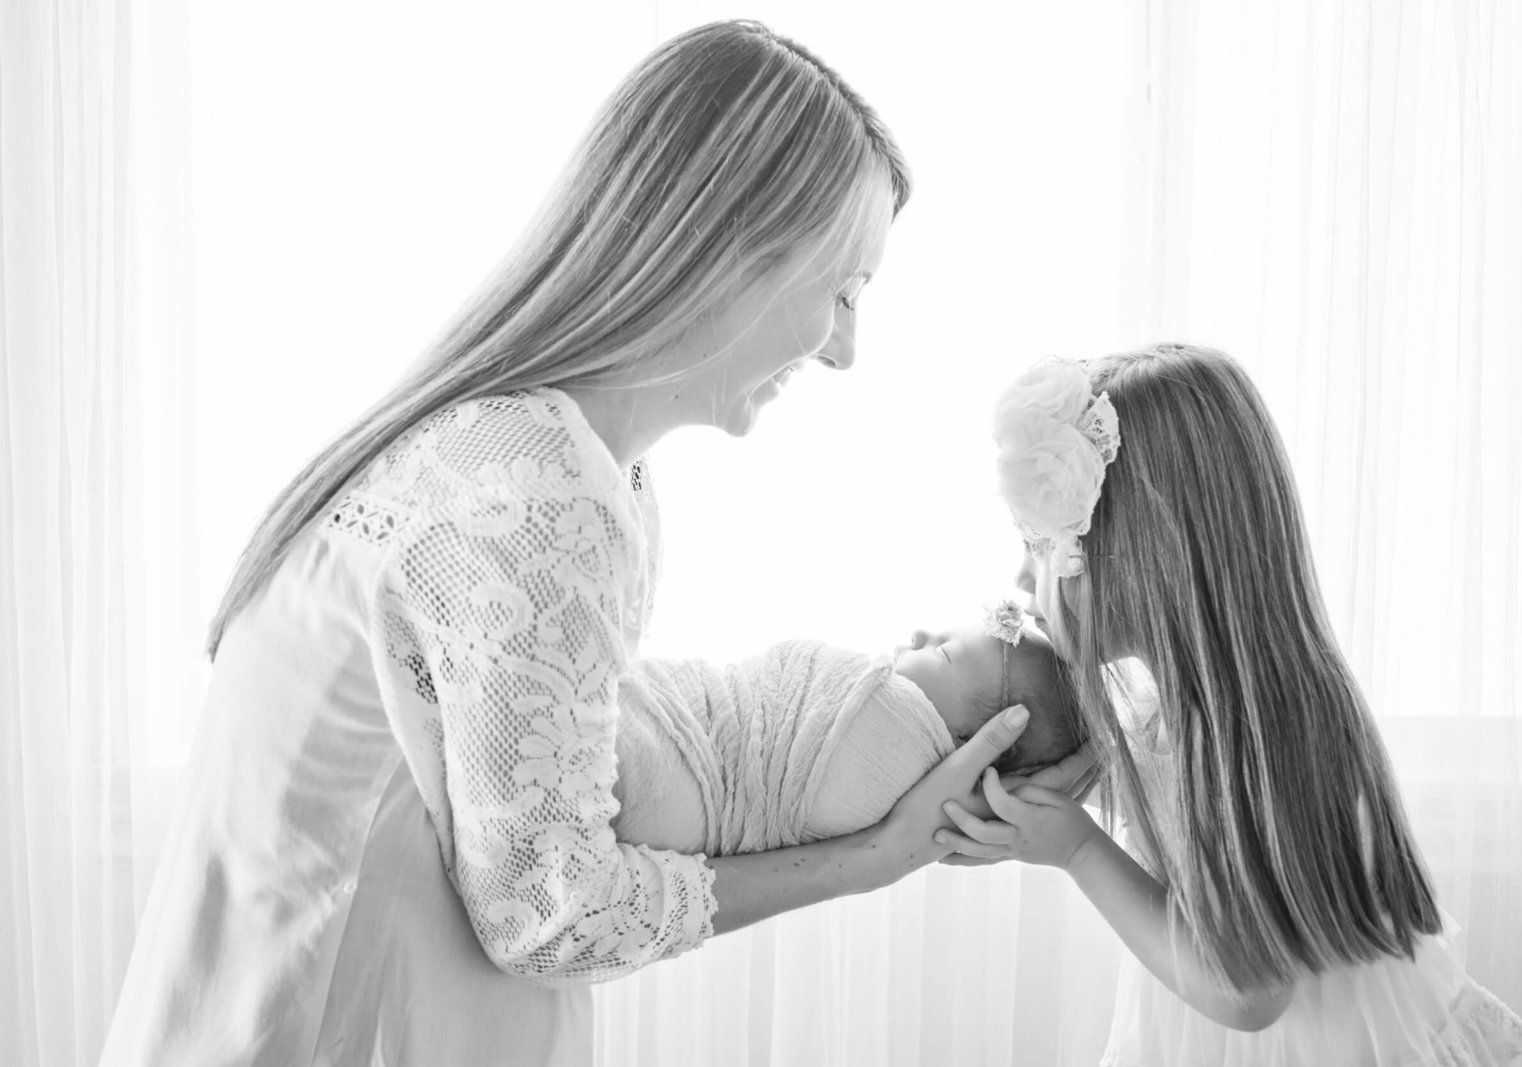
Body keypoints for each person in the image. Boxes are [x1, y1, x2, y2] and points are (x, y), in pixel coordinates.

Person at [99, 21, 1070, 1066]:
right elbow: (547, 914)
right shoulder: (536, 486)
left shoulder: (555, 456)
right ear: (728, 251)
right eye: (842, 290)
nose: (843, 349)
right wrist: (868, 856)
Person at [938, 345, 1522, 1065]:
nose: (1022, 572)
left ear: (1142, 558)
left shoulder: (1255, 738)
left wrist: (1074, 846)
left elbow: (1246, 995)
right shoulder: (1187, 708)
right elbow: (1151, 805)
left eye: (1040, 545)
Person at [612, 605, 1087, 855]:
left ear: (971, 746)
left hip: (676, 773)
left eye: (945, 654)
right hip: (684, 711)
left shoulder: (890, 733)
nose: (921, 635)